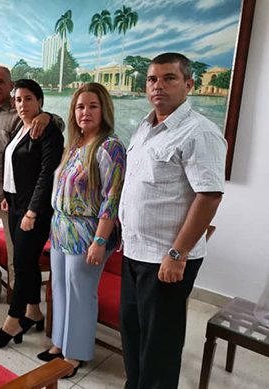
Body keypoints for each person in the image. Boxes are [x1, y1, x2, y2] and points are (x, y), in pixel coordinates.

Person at [119, 52, 226, 388]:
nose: (158, 86)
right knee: (134, 334)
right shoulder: (145, 127)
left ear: (188, 84)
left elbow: (208, 196)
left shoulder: (199, 132)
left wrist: (178, 254)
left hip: (166, 259)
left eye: (169, 78)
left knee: (160, 347)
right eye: (152, 79)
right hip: (136, 252)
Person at [37, 83, 126, 378]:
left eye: (92, 106)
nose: (85, 112)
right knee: (60, 287)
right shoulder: (75, 144)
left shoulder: (110, 147)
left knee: (81, 292)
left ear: (104, 110)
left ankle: (75, 353)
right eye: (79, 106)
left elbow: (112, 198)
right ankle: (60, 343)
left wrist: (100, 241)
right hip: (62, 228)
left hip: (89, 231)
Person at [0, 66, 60, 309]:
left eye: (1, 82)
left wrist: (48, 116)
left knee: (16, 254)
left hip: (10, 198)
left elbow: (53, 125)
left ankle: (17, 298)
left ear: (10, 86)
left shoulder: (20, 116)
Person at [0, 79, 63, 348]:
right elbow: (15, 165)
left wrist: (31, 210)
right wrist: (10, 197)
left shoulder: (48, 128)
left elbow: (46, 175)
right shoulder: (22, 126)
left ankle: (14, 319)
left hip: (36, 209)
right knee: (27, 262)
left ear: (40, 101)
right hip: (17, 204)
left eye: (28, 99)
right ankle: (33, 310)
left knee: (21, 263)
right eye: (18, 99)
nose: (22, 104)